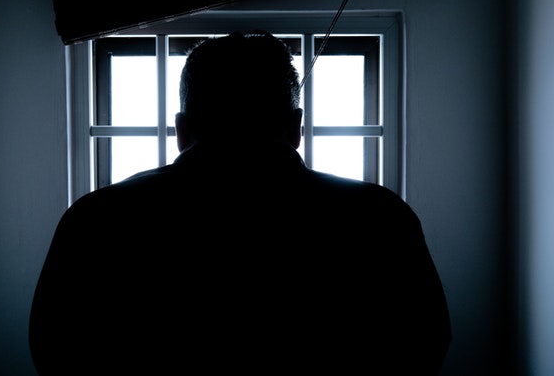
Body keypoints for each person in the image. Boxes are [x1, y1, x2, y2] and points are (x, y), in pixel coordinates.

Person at [29, 30, 451, 375]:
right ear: (296, 126)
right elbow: (423, 347)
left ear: (181, 128)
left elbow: (55, 353)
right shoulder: (379, 218)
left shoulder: (96, 221)